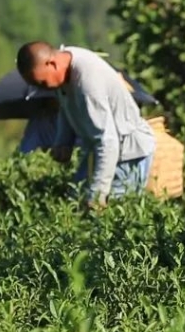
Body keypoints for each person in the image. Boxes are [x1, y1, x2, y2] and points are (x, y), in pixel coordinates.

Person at [16, 41, 156, 208]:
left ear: (51, 63)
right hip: (98, 152)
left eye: (43, 83)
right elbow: (67, 106)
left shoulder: (88, 83)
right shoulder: (64, 60)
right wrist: (63, 142)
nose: (43, 88)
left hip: (127, 155)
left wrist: (98, 194)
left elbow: (108, 141)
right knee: (74, 204)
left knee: (113, 220)